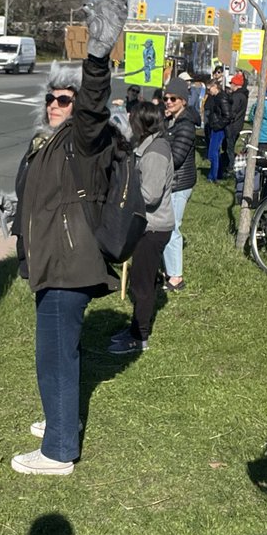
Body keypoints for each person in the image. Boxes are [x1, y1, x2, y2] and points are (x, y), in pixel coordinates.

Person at [10, 0, 127, 476]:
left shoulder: (83, 142)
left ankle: (59, 452)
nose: (57, 105)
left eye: (66, 99)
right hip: (50, 262)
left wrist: (96, 60)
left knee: (55, 359)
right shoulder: (46, 145)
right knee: (57, 354)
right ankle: (60, 420)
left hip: (69, 264)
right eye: (53, 99)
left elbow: (94, 109)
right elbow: (35, 199)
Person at [108, 101, 173, 355]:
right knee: (140, 280)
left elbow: (151, 195)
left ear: (142, 122)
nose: (129, 121)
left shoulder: (155, 152)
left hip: (154, 227)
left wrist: (125, 194)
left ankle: (139, 337)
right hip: (147, 225)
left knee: (142, 285)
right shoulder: (147, 146)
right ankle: (136, 327)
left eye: (132, 118)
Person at [161, 75, 197, 291]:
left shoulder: (186, 126)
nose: (169, 102)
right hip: (172, 182)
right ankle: (168, 270)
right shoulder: (172, 120)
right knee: (166, 226)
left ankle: (176, 277)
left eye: (174, 98)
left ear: (183, 100)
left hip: (179, 183)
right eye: (166, 98)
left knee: (172, 228)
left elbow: (176, 158)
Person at [203, 78, 231, 183]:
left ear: (215, 87)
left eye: (209, 89)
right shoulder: (216, 97)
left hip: (219, 128)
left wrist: (218, 125)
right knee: (216, 152)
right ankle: (218, 173)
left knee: (212, 152)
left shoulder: (221, 98)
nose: (208, 91)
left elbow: (227, 115)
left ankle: (212, 176)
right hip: (216, 126)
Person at [223, 71, 249, 177]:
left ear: (236, 85)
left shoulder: (236, 96)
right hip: (238, 124)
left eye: (232, 84)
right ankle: (230, 165)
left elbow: (232, 111)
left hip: (232, 125)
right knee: (230, 146)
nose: (230, 86)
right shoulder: (243, 95)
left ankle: (230, 167)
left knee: (229, 147)